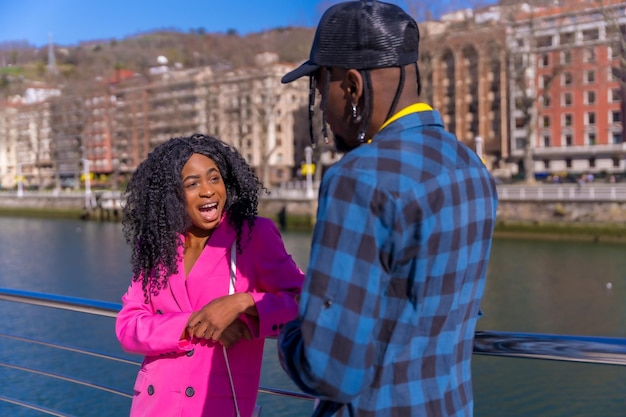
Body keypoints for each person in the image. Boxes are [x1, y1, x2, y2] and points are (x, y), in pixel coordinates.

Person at [277, 1, 498, 416]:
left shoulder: (358, 177)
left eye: (320, 88)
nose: (323, 109)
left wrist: (291, 329)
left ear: (352, 86)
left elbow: (329, 370)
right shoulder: (470, 165)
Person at [115, 133, 304, 417]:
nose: (208, 191)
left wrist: (243, 303)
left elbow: (305, 302)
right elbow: (128, 327)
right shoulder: (157, 244)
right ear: (173, 195)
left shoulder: (253, 235)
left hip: (216, 407)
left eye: (214, 178)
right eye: (192, 184)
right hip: (153, 407)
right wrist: (191, 324)